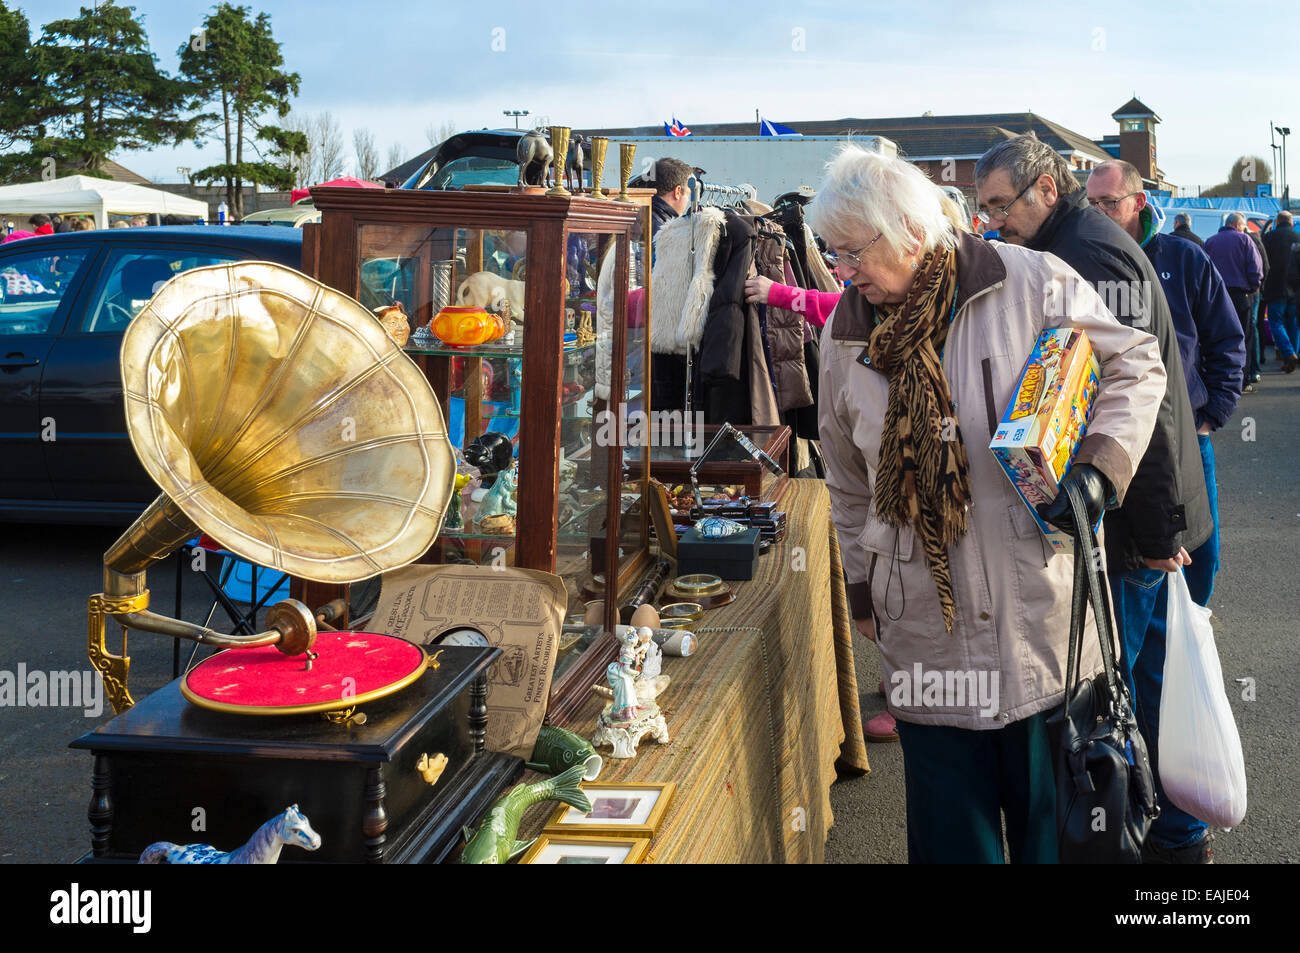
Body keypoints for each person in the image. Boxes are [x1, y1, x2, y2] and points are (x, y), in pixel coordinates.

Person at [813, 145, 1165, 863]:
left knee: (1053, 841)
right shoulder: (843, 337)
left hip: (1039, 628)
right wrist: (859, 589)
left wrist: (1100, 470)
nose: (843, 273)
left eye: (853, 252)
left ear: (908, 229)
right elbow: (847, 483)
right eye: (833, 254)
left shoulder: (1028, 279)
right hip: (923, 640)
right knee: (952, 848)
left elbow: (1135, 361)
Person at [976, 137, 1216, 864]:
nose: (992, 222)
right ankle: (1175, 834)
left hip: (1137, 523)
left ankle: (1154, 836)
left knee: (1122, 694)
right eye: (984, 208)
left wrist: (1154, 530)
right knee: (1140, 684)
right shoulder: (1074, 242)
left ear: (1047, 188)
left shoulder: (1087, 253)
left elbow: (1147, 406)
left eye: (1000, 205)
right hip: (1136, 517)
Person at [1085, 159, 1244, 860]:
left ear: (1139, 201)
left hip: (1184, 455)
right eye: (1090, 202)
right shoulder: (1081, 262)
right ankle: (1168, 815)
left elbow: (1230, 339)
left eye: (1108, 202)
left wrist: (1209, 414)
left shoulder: (1179, 257)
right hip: (1129, 478)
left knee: (1183, 624)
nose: (1098, 213)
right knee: (1144, 649)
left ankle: (1180, 818)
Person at [1204, 213, 1264, 392]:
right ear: (1237, 225)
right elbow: (1256, 269)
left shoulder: (1210, 241)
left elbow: (1203, 269)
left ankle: (1218, 381)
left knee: (1217, 338)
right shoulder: (1245, 241)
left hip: (1216, 296)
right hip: (1240, 296)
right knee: (1243, 338)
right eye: (1244, 226)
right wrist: (1253, 288)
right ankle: (1242, 381)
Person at [1261, 211, 1299, 373]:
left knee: (1276, 323)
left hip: (1274, 287)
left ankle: (1288, 353)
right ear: (1291, 223)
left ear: (1277, 222)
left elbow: (1261, 262)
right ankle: (1292, 354)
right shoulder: (1298, 239)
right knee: (1293, 323)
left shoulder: (1268, 238)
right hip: (1295, 289)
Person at [640, 157, 694, 238]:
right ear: (678, 192)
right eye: (688, 193)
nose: (688, 200)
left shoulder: (637, 216)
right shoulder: (666, 233)